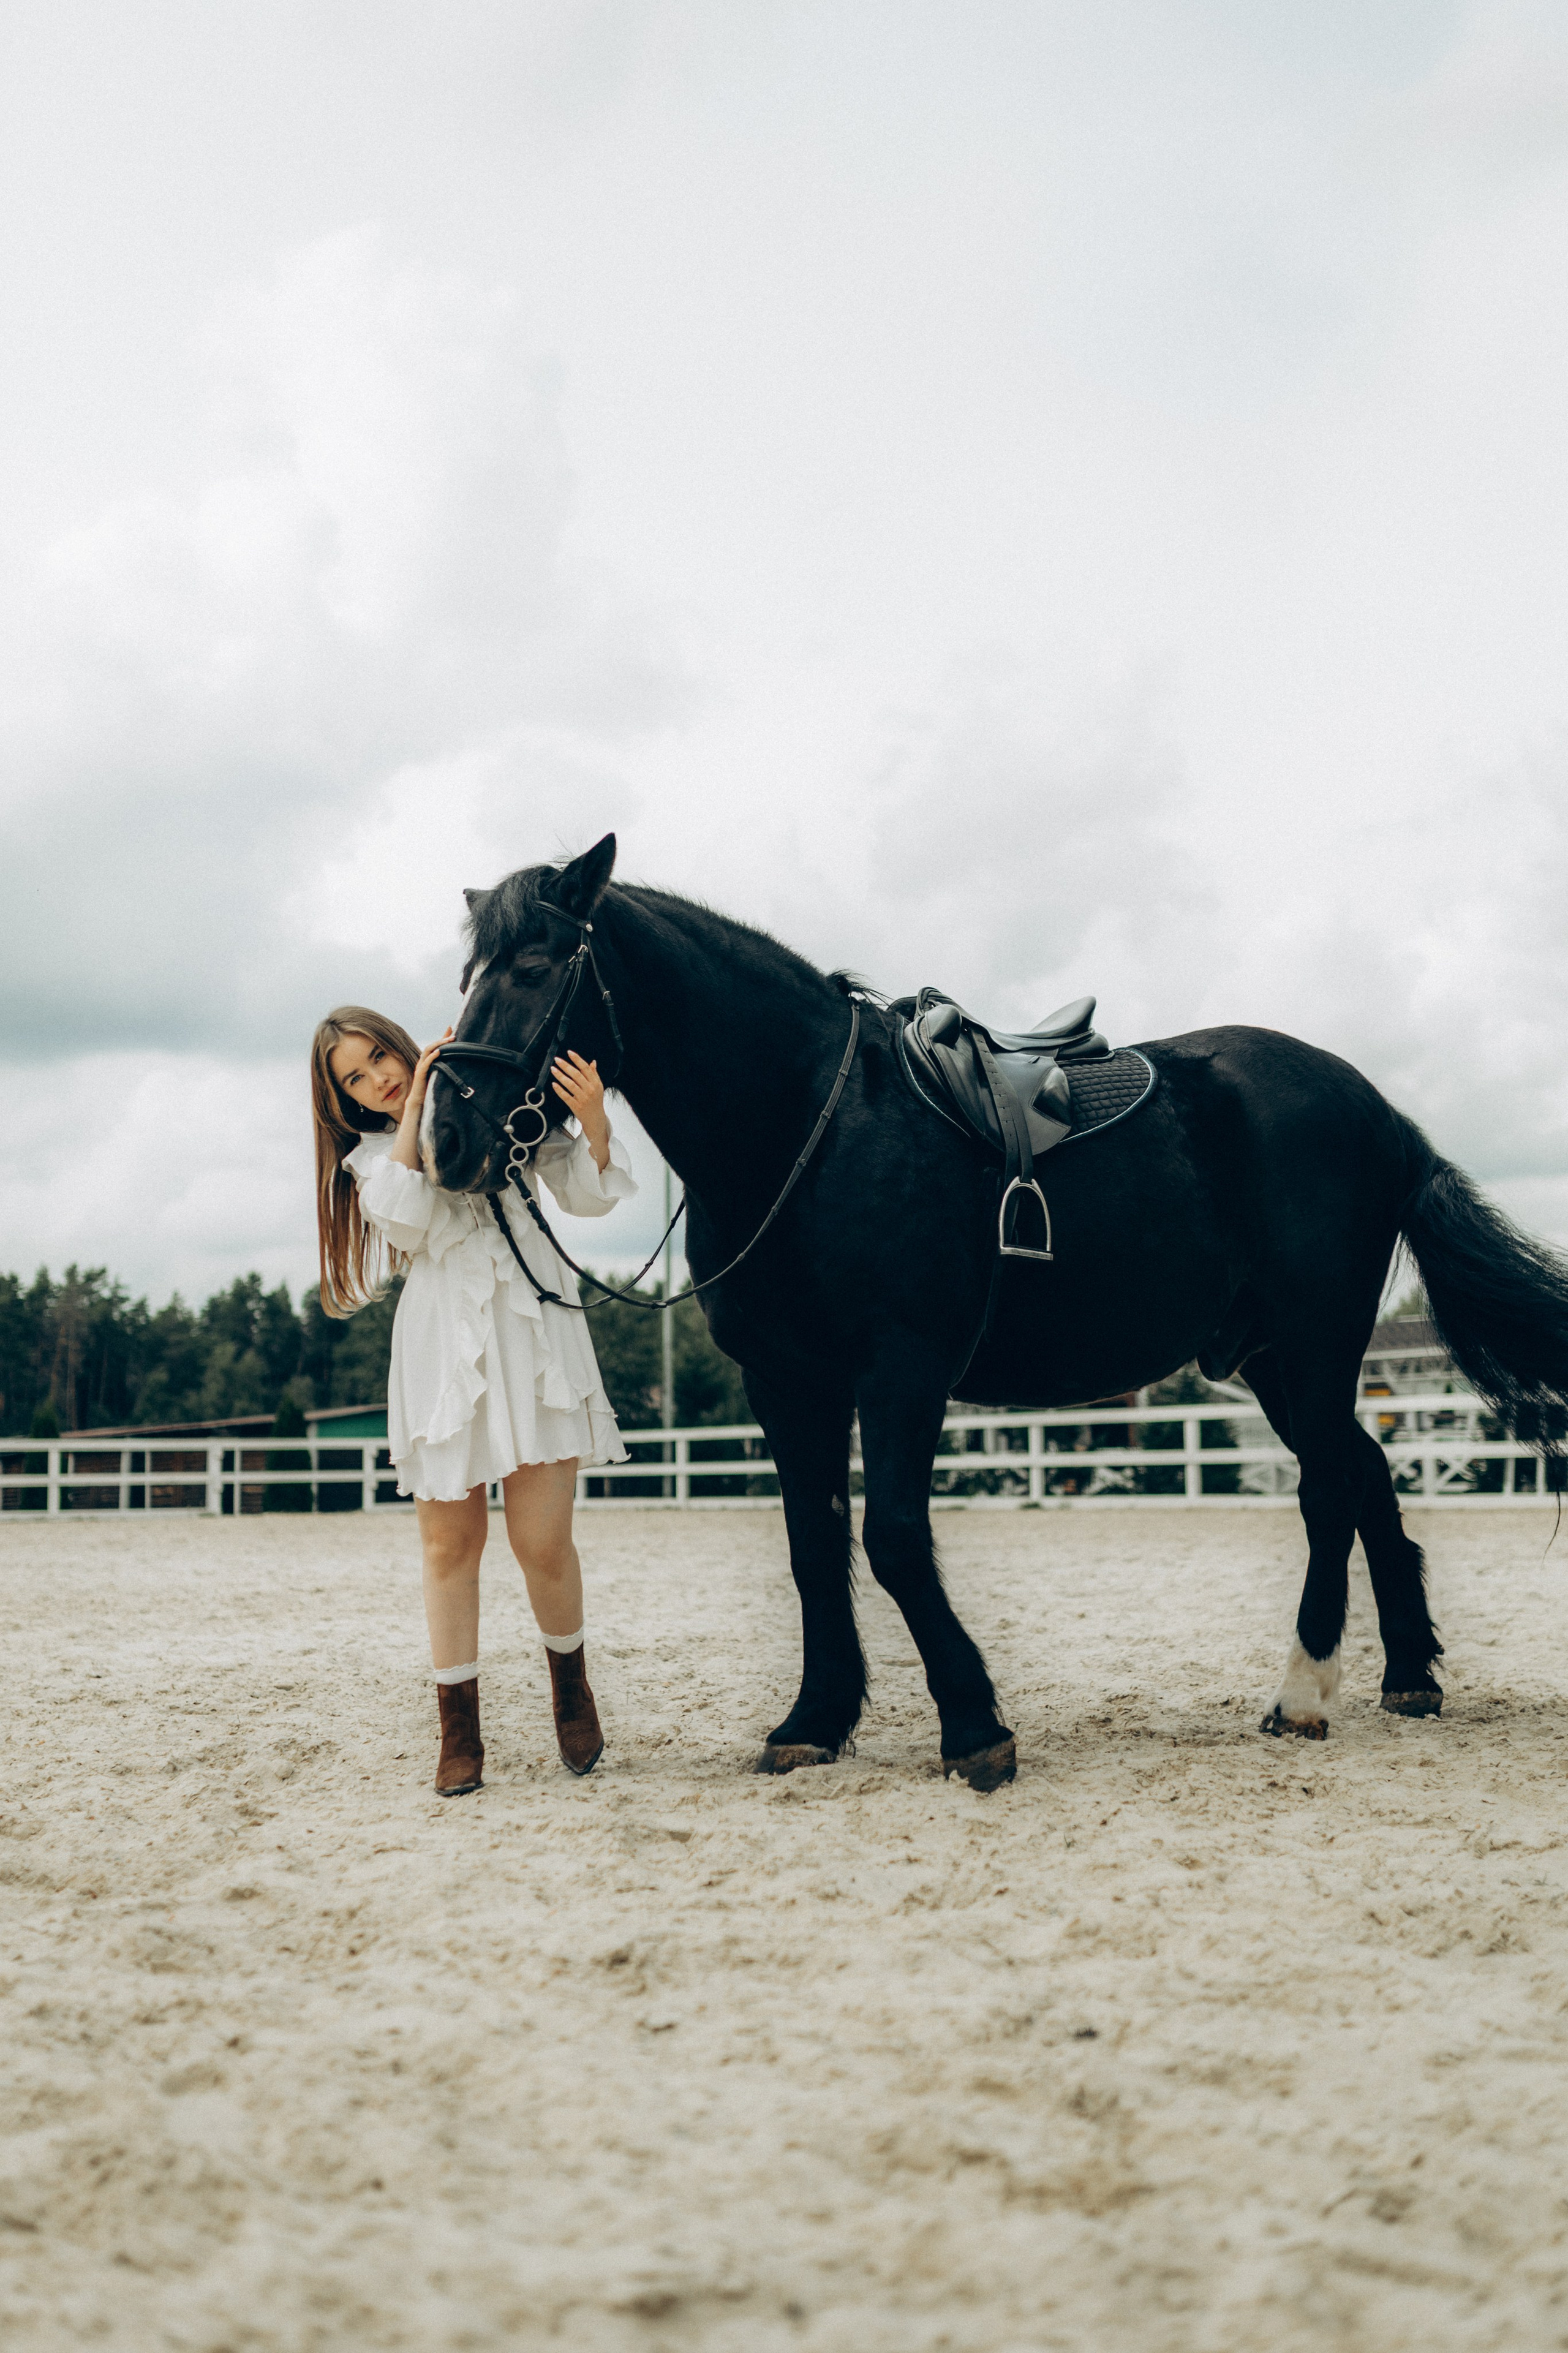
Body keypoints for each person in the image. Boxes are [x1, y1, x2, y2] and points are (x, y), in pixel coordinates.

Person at [309, 1004, 636, 1796]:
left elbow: (587, 1194)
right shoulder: (368, 1157)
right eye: (356, 1078)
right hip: (443, 1348)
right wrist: (418, 1097)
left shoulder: (487, 1090)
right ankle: (459, 1729)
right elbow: (413, 1215)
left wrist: (592, 1122)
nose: (377, 1079)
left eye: (380, 1058)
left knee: (542, 1542)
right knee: (449, 1548)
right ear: (345, 1099)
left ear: (397, 1041)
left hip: (533, 1330)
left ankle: (571, 1689)